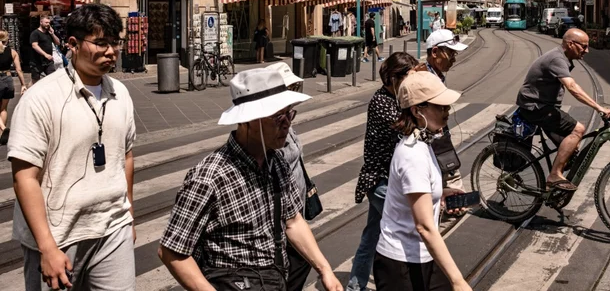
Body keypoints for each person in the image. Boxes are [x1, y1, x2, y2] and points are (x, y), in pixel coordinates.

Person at [158, 68, 343, 291]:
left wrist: (324, 269)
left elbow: (293, 221)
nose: (287, 124)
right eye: (278, 117)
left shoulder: (277, 162)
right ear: (249, 121)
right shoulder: (210, 177)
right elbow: (171, 251)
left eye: (289, 114)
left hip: (274, 282)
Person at [9, 4, 136, 291]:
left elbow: (126, 157)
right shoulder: (41, 98)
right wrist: (47, 247)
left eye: (115, 42)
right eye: (101, 43)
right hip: (58, 234)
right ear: (73, 44)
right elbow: (24, 178)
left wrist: (129, 215)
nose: (111, 51)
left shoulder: (121, 93)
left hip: (113, 227)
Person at [373, 71, 471, 291]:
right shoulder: (413, 154)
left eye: (447, 107)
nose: (447, 112)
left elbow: (414, 194)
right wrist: (458, 281)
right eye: (440, 107)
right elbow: (425, 227)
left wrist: (442, 194)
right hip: (401, 265)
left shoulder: (422, 144)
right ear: (417, 111)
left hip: (420, 255)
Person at [347, 52, 419, 291]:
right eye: (409, 77)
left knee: (372, 235)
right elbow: (407, 128)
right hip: (379, 180)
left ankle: (355, 285)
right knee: (409, 228)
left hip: (389, 178)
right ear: (393, 78)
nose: (412, 83)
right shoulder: (382, 102)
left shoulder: (397, 98)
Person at [516, 28, 610, 191]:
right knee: (578, 130)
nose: (587, 51)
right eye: (584, 46)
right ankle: (554, 175)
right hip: (535, 107)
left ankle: (552, 190)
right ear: (570, 44)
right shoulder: (557, 58)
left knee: (571, 147)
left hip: (543, 107)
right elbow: (572, 87)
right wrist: (599, 107)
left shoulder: (561, 57)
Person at [267, 61, 314, 291]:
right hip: (280, 217)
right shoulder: (271, 130)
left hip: (294, 209)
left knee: (301, 260)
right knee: (293, 262)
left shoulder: (287, 120)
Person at [422, 29, 468, 192]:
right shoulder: (423, 78)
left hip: (440, 142)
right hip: (430, 144)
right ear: (435, 52)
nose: (454, 59)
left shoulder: (437, 73)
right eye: (451, 54)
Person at [0, 30, 27, 146]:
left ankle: (3, 128)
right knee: (3, 109)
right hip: (8, 79)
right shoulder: (12, 52)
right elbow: (19, 70)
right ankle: (1, 135)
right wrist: (23, 85)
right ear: (7, 39)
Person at [30, 15, 60, 84]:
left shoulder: (49, 33)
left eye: (49, 23)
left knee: (53, 79)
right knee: (35, 81)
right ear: (41, 22)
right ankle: (28, 92)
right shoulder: (35, 33)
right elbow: (34, 45)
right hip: (37, 62)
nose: (48, 24)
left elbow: (58, 43)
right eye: (46, 22)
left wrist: (52, 34)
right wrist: (45, 54)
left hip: (48, 62)